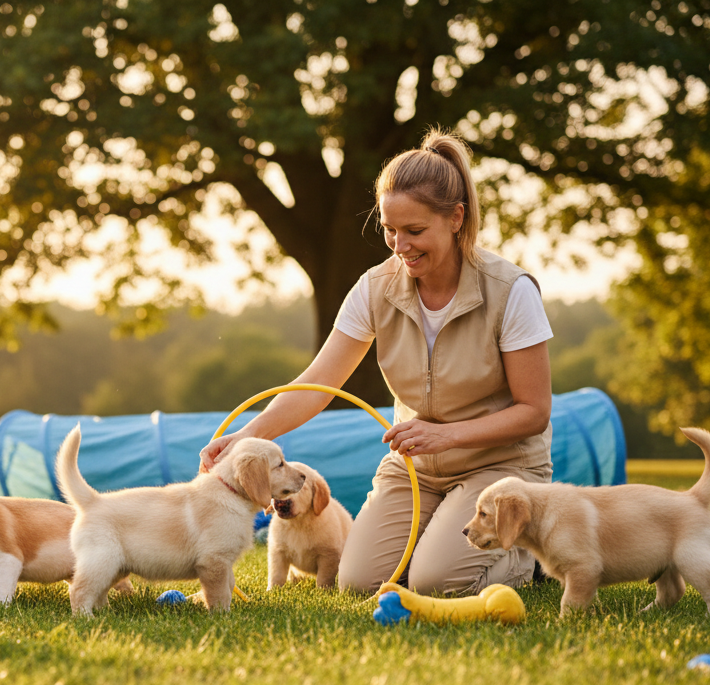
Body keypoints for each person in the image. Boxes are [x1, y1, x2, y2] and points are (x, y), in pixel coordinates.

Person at [199, 129, 554, 597]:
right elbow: (319, 384)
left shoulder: (510, 291)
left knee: (433, 581)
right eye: (389, 229)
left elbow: (534, 411)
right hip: (416, 470)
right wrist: (248, 436)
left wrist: (446, 434)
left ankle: (524, 553)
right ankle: (441, 544)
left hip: (499, 468)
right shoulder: (374, 288)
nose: (399, 245)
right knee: (356, 581)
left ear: (456, 218)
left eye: (414, 231)